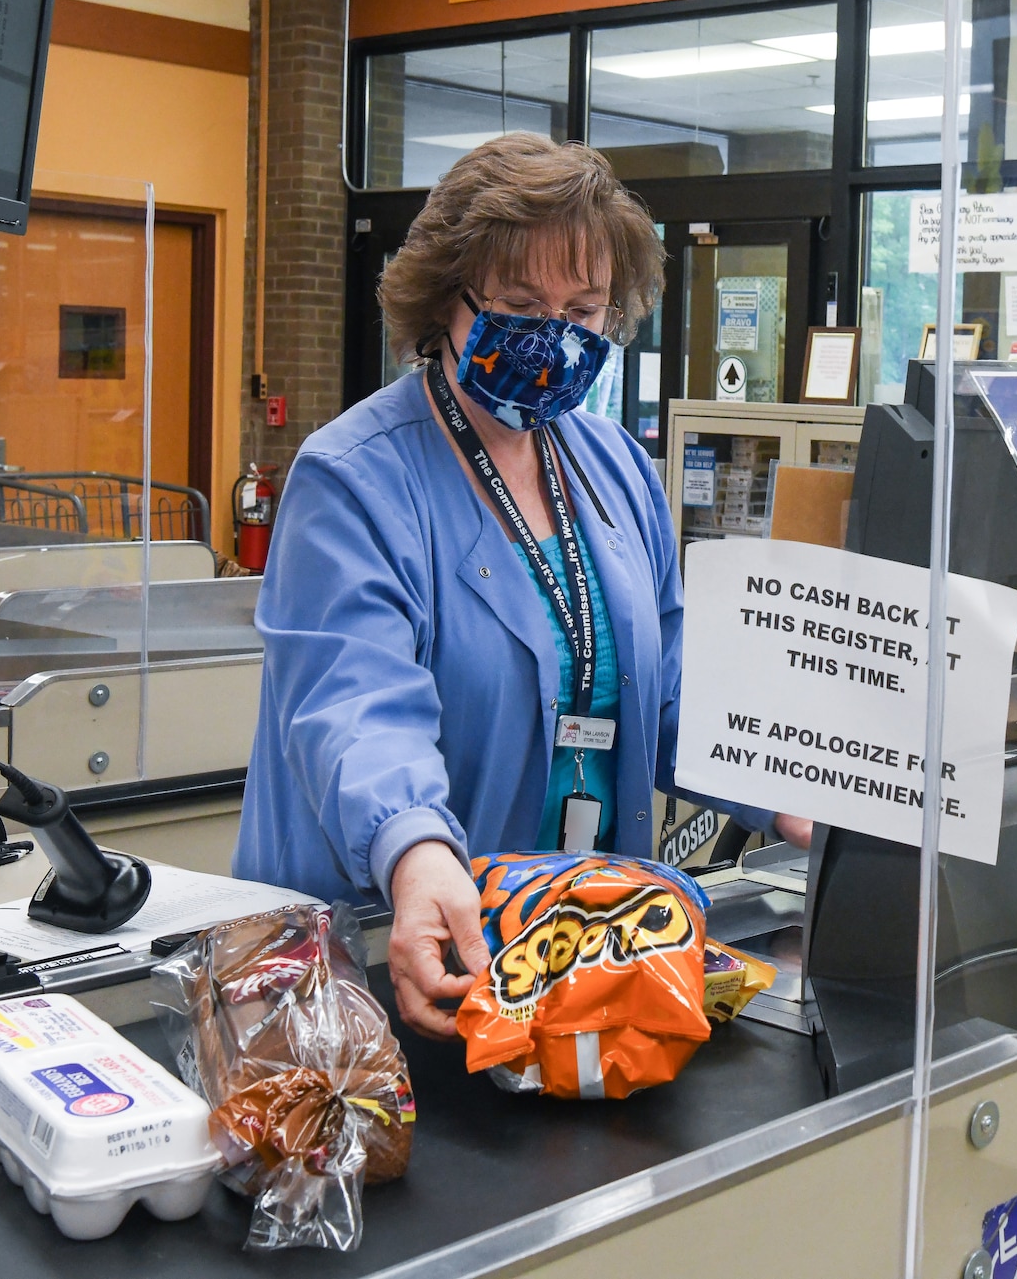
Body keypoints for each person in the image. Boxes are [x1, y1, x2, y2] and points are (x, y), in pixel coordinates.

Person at [235, 133, 809, 1041]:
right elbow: (355, 709)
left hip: (578, 967)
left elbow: (667, 686)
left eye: (585, 310)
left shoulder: (613, 466)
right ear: (443, 300)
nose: (557, 337)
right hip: (388, 973)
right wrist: (419, 855)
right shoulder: (353, 478)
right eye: (520, 304)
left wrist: (792, 781)